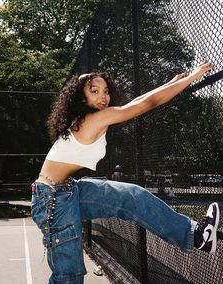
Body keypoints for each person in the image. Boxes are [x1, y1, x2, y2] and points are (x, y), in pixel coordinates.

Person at [31, 62, 220, 284]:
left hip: (67, 191)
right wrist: (192, 78)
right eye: (94, 91)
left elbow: (137, 102)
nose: (103, 96)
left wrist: (171, 83)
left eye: (106, 91)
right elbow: (147, 104)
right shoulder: (93, 119)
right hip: (53, 200)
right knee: (69, 276)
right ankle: (195, 235)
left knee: (130, 197)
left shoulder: (95, 118)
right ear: (82, 99)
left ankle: (197, 236)